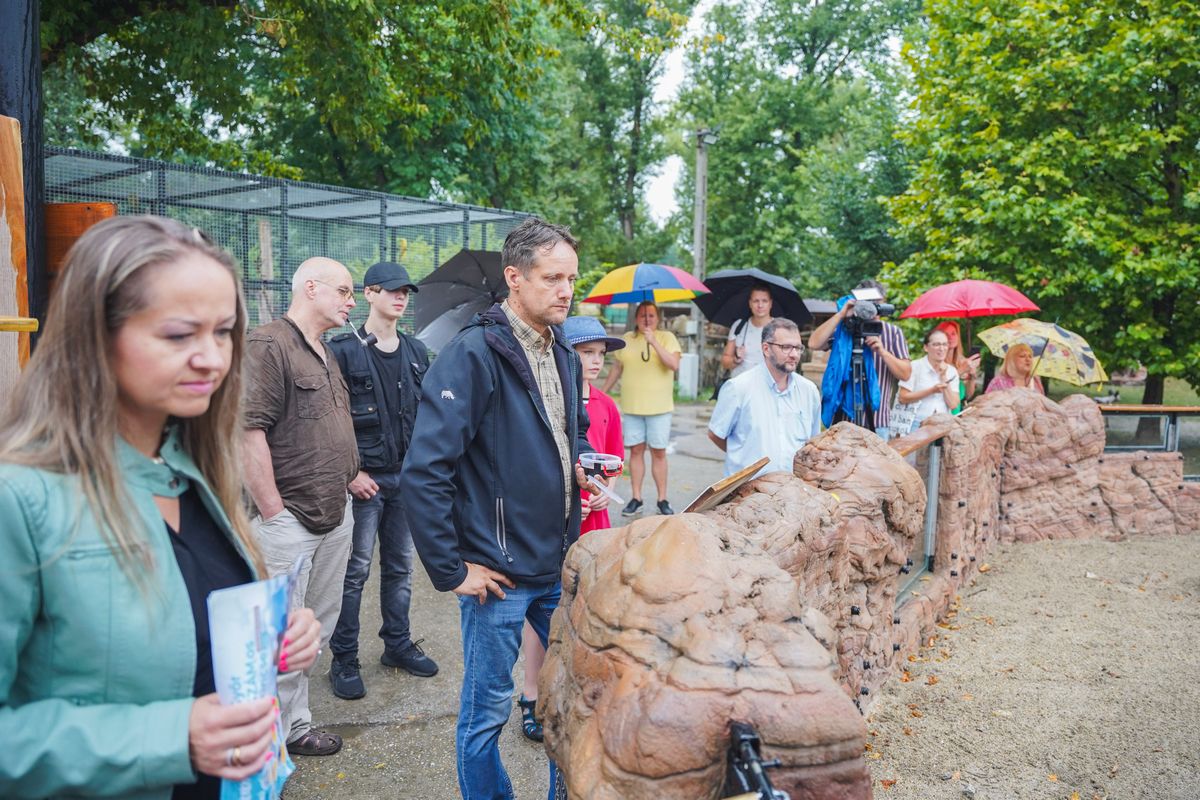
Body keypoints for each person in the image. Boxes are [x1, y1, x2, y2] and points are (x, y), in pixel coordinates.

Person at [0, 216, 321, 800]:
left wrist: (266, 637)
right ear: (94, 335)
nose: (211, 358)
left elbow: (181, 630)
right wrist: (169, 738)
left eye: (224, 332)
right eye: (179, 335)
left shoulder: (194, 473)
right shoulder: (19, 498)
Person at [399, 217, 599, 800]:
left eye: (571, 278)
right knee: (485, 715)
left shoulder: (562, 350)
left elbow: (570, 431)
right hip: (499, 577)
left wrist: (582, 461)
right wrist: (452, 569)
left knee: (570, 702)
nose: (566, 290)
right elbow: (424, 470)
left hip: (558, 566)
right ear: (514, 277)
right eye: (552, 278)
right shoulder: (473, 354)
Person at [242, 257, 360, 757]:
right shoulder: (268, 344)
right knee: (278, 638)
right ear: (311, 288)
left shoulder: (325, 351)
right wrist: (272, 510)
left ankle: (296, 726)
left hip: (335, 514)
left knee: (313, 631)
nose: (351, 302)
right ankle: (262, 747)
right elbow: (247, 432)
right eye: (345, 291)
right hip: (290, 519)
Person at [326, 261, 437, 702]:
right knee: (354, 573)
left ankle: (397, 644)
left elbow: (427, 417)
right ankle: (344, 658)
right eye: (390, 290)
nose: (399, 297)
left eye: (405, 291)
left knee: (401, 569)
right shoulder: (343, 351)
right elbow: (330, 422)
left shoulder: (415, 351)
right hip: (365, 484)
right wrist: (352, 472)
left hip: (405, 481)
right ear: (368, 294)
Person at [517, 314, 623, 743]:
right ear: (565, 354)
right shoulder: (547, 401)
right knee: (545, 609)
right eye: (585, 353)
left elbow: (613, 459)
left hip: (596, 522)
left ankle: (576, 692)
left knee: (588, 607)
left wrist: (604, 490)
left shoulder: (607, 406)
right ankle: (530, 695)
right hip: (556, 522)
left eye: (600, 354)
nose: (594, 362)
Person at [708, 318, 821, 477]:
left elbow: (812, 441)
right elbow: (715, 434)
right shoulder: (738, 388)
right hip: (747, 492)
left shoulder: (809, 391)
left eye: (797, 347)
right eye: (786, 347)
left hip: (793, 490)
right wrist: (743, 453)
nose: (794, 354)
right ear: (766, 349)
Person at [602, 300, 682, 516]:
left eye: (652, 316)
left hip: (659, 407)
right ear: (636, 318)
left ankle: (662, 499)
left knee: (658, 452)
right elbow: (617, 369)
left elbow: (673, 365)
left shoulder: (667, 338)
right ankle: (636, 497)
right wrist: (602, 392)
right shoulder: (627, 339)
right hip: (632, 406)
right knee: (635, 451)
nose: (647, 319)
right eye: (643, 315)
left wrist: (653, 341)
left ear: (658, 318)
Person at [809, 279, 911, 439]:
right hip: (844, 422)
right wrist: (841, 314)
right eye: (867, 304)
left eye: (876, 304)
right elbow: (814, 343)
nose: (872, 310)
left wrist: (883, 352)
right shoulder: (845, 330)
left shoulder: (893, 332)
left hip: (878, 423)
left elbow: (905, 374)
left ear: (882, 304)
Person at [894, 328, 961, 436]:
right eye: (936, 344)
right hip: (915, 424)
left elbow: (953, 404)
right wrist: (931, 390)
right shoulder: (914, 367)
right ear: (926, 347)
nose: (941, 348)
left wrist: (944, 377)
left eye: (945, 344)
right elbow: (903, 397)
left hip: (942, 425)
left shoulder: (952, 371)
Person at [720, 284, 775, 378]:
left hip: (767, 387)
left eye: (764, 301)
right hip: (739, 386)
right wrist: (735, 360)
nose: (760, 305)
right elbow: (725, 361)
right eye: (756, 301)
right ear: (750, 303)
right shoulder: (739, 326)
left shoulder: (779, 328)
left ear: (770, 303)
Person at [933, 321, 981, 412]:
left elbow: (967, 396)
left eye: (953, 334)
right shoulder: (934, 362)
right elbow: (937, 388)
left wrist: (972, 377)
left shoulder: (962, 362)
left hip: (956, 415)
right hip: (939, 415)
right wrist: (961, 371)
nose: (951, 337)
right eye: (946, 334)